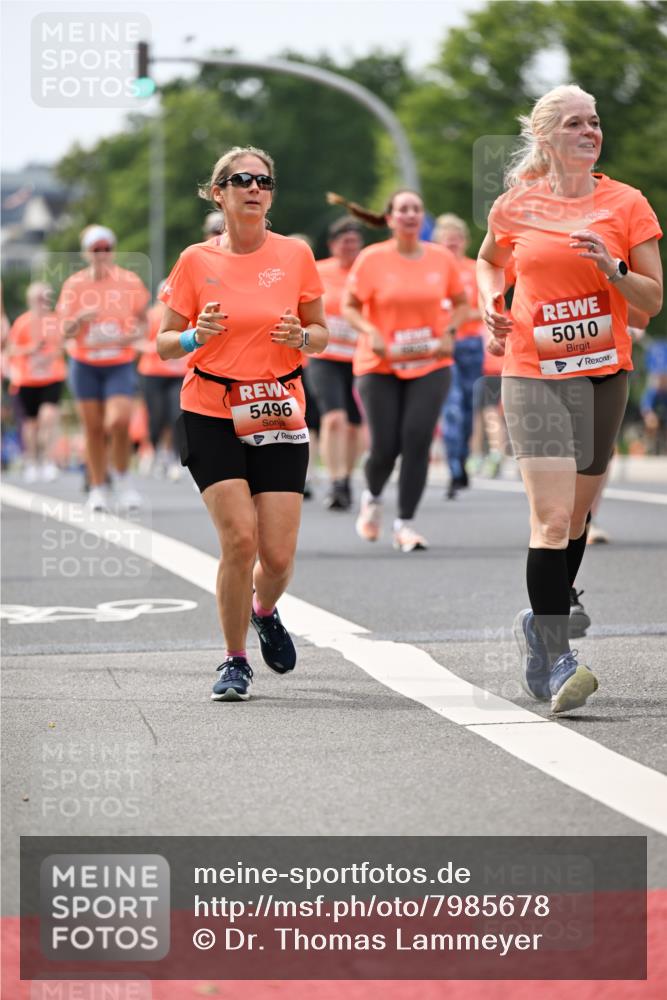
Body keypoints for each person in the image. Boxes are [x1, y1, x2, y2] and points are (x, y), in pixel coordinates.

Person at [478, 84, 663, 713]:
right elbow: (487, 262)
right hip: (532, 372)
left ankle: (539, 622)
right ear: (548, 136)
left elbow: (651, 301)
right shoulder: (516, 205)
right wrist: (490, 305)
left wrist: (612, 272)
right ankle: (559, 658)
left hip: (603, 373)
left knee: (579, 518)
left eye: (595, 121)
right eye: (576, 124)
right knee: (552, 519)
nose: (591, 131)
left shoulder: (627, 203)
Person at [156, 145, 328, 702]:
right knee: (240, 540)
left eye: (264, 180)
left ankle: (264, 609)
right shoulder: (195, 261)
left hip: (278, 406)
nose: (254, 188)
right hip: (211, 409)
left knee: (276, 558)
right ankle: (234, 661)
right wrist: (193, 338)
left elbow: (321, 331)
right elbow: (162, 344)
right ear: (218, 192)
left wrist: (302, 339)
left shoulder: (296, 255)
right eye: (241, 180)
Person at [337, 189, 469, 551]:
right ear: (391, 218)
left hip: (430, 361)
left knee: (417, 438)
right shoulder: (372, 259)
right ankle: (373, 498)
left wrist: (448, 331)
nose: (410, 215)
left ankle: (405, 524)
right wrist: (371, 331)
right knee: (384, 446)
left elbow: (460, 303)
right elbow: (349, 306)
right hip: (379, 362)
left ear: (422, 218)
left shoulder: (441, 259)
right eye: (403, 209)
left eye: (416, 209)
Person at [57, 225, 150, 511]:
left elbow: (144, 322)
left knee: (119, 421)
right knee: (93, 429)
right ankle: (98, 487)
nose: (101, 255)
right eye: (96, 250)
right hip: (85, 363)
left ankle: (123, 480)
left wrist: (127, 337)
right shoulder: (74, 285)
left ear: (113, 251)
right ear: (87, 253)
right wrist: (81, 319)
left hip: (119, 362)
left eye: (106, 249)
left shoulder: (130, 281)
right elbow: (64, 332)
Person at [309, 214, 365, 510]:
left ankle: (347, 475)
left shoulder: (367, 271)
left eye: (355, 242)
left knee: (356, 426)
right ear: (332, 245)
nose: (350, 248)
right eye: (344, 242)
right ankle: (335, 480)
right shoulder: (318, 271)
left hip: (361, 358)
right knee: (334, 418)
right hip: (325, 357)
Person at [433, 213, 486, 499]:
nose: (452, 244)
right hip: (442, 348)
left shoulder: (475, 269)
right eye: (446, 240)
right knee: (451, 408)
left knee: (467, 408)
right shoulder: (430, 270)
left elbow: (485, 309)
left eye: (457, 239)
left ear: (465, 242)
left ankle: (462, 458)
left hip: (470, 344)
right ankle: (454, 469)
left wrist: (458, 316)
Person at [6, 281, 66, 482]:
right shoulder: (22, 323)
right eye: (38, 298)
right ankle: (31, 461)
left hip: (52, 377)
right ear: (30, 300)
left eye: (45, 298)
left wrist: (50, 356)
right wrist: (30, 350)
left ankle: (48, 460)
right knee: (30, 425)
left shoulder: (56, 321)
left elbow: (64, 345)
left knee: (48, 418)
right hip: (27, 380)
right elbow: (11, 349)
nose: (42, 302)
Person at [137, 284, 188, 479]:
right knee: (156, 416)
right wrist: (154, 347)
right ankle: (152, 450)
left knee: (177, 414)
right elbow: (135, 340)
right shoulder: (151, 316)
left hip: (178, 373)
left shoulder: (188, 313)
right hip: (153, 373)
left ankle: (176, 458)